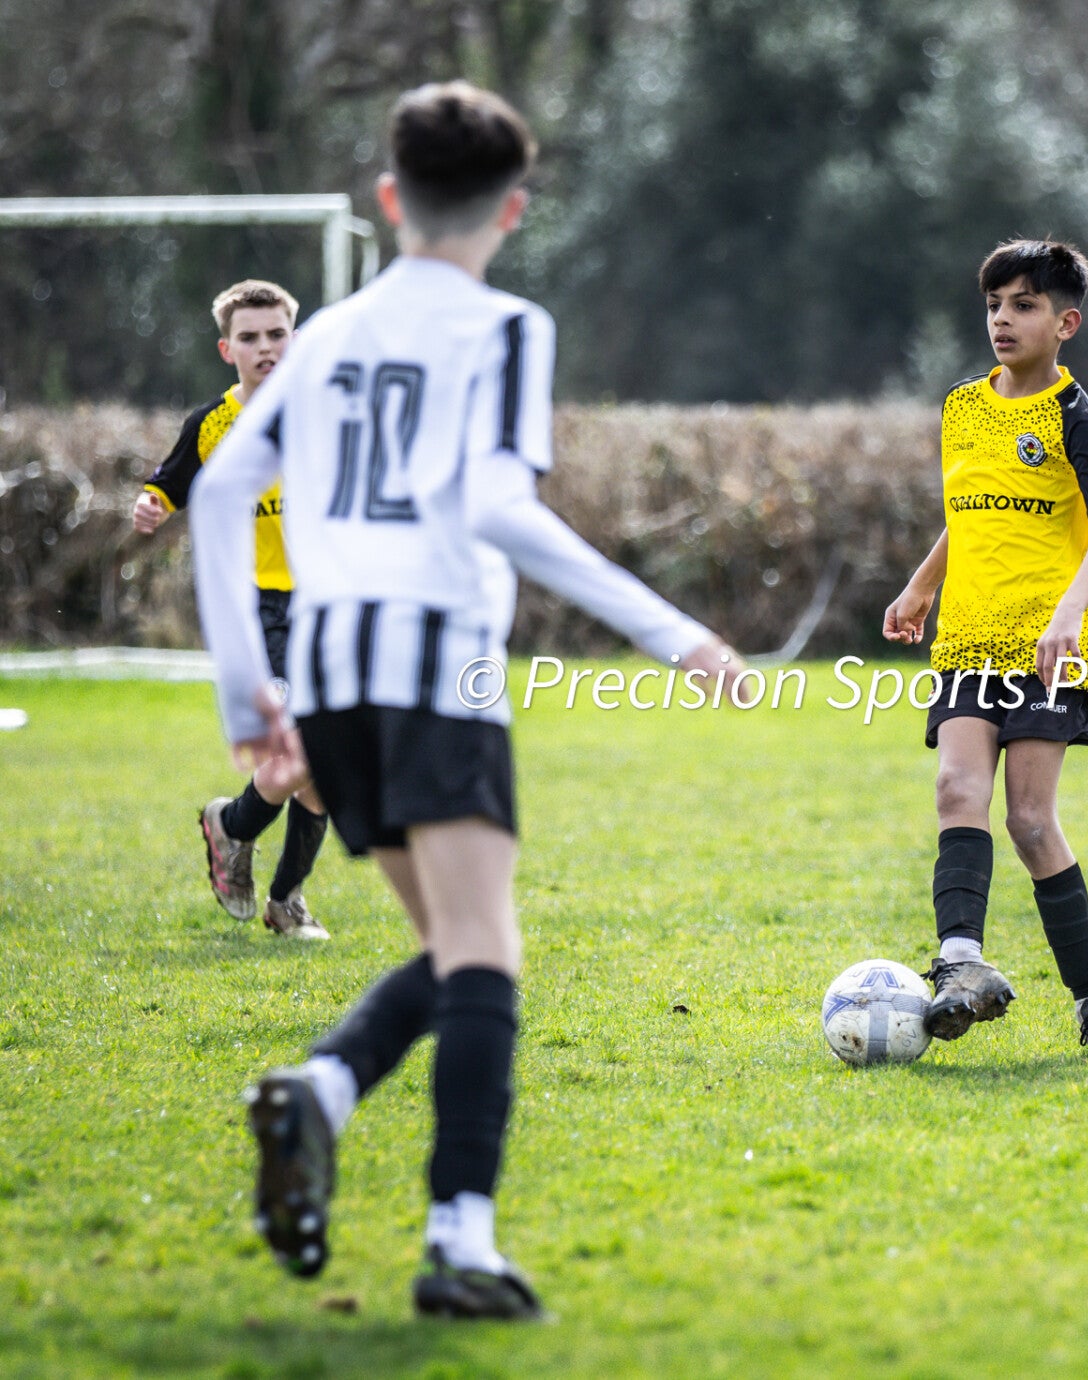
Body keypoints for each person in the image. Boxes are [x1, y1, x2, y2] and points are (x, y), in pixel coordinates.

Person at [188, 80, 738, 1319]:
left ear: (390, 200)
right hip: (439, 668)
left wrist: (246, 697)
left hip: (331, 679)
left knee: (455, 950)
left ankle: (324, 1094)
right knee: (485, 952)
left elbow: (218, 498)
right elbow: (495, 506)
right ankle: (459, 1242)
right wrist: (674, 632)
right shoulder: (506, 326)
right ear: (513, 209)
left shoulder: (325, 336)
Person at [883, 238, 1088, 1060]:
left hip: (1047, 649)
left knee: (1031, 822)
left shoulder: (1076, 418)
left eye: (1024, 305)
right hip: (970, 637)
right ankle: (959, 963)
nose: (1003, 319)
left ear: (1065, 324)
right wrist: (922, 584)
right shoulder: (963, 407)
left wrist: (1069, 614)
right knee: (955, 788)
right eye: (995, 304)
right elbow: (971, 511)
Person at [134, 280, 330, 940]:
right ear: (227, 349)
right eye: (249, 337)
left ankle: (275, 884)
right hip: (261, 610)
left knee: (319, 770)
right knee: (305, 751)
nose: (265, 347)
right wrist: (151, 504)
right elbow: (168, 484)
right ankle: (240, 836)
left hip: (328, 601)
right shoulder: (212, 425)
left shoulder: (321, 413)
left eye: (277, 334)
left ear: (295, 340)